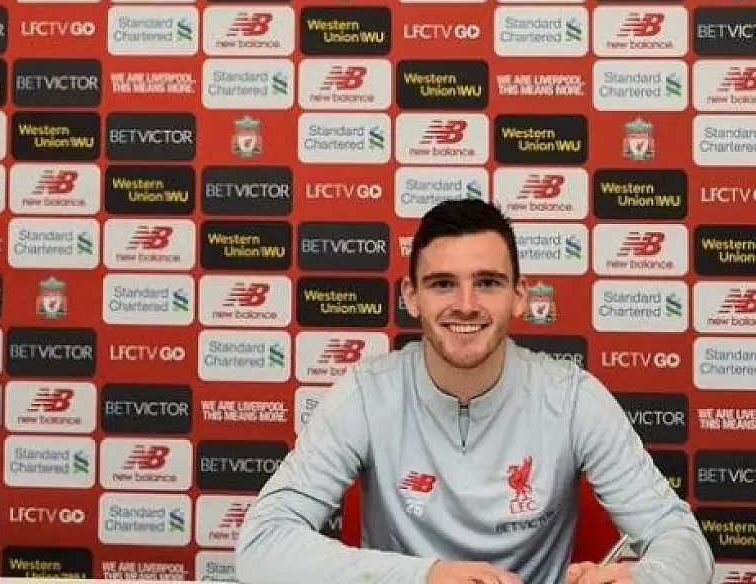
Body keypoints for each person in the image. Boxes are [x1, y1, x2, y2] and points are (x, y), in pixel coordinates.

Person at [236, 199, 715, 584]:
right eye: (442, 284)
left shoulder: (572, 399)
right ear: (410, 297)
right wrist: (424, 577)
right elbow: (261, 545)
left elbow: (683, 541)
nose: (465, 305)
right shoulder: (365, 395)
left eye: (487, 283)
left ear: (519, 295)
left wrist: (641, 578)